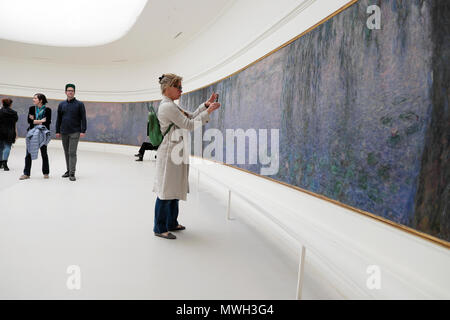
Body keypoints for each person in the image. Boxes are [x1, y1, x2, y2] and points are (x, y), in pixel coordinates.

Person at [153, 73, 220, 239]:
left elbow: (189, 116)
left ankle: (171, 223)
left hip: (175, 152)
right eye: (178, 87)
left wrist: (205, 106)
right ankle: (160, 228)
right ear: (168, 88)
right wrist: (208, 112)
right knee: (166, 191)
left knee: (174, 190)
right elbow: (189, 125)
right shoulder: (167, 106)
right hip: (170, 153)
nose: (181, 91)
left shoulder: (172, 105)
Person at [55, 84, 87, 182]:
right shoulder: (61, 105)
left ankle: (72, 173)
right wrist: (57, 130)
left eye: (72, 91)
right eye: (68, 90)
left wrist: (83, 130)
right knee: (66, 152)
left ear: (74, 92)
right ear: (65, 92)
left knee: (72, 152)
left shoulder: (80, 104)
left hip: (75, 132)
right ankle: (68, 170)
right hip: (64, 131)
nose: (70, 92)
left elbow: (83, 118)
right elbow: (58, 119)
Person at [19, 93, 52, 180]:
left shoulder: (48, 110)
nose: (33, 99)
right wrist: (41, 120)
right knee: (28, 153)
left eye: (35, 98)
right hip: (32, 133)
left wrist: (35, 121)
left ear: (40, 100)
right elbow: (29, 121)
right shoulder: (31, 108)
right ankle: (26, 173)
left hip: (43, 134)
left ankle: (46, 172)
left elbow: (47, 122)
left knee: (44, 153)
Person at [0, 98, 18, 171]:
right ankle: (5, 164)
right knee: (7, 147)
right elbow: (15, 122)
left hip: (0, 132)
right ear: (10, 104)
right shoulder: (14, 113)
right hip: (10, 132)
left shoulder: (0, 112)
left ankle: (0, 163)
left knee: (0, 148)